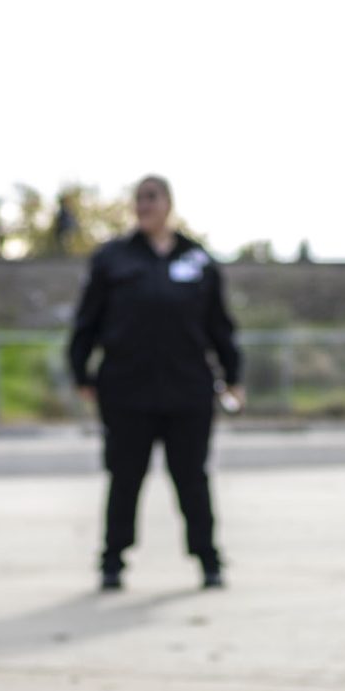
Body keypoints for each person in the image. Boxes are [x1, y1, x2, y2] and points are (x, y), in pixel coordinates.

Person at [68, 175, 244, 591]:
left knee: (192, 477)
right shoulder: (113, 259)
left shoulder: (198, 261)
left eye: (152, 197)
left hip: (188, 390)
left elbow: (220, 326)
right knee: (125, 477)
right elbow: (86, 322)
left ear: (168, 203)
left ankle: (208, 558)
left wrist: (233, 375)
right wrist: (82, 373)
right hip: (126, 390)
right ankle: (113, 561)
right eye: (138, 198)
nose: (144, 205)